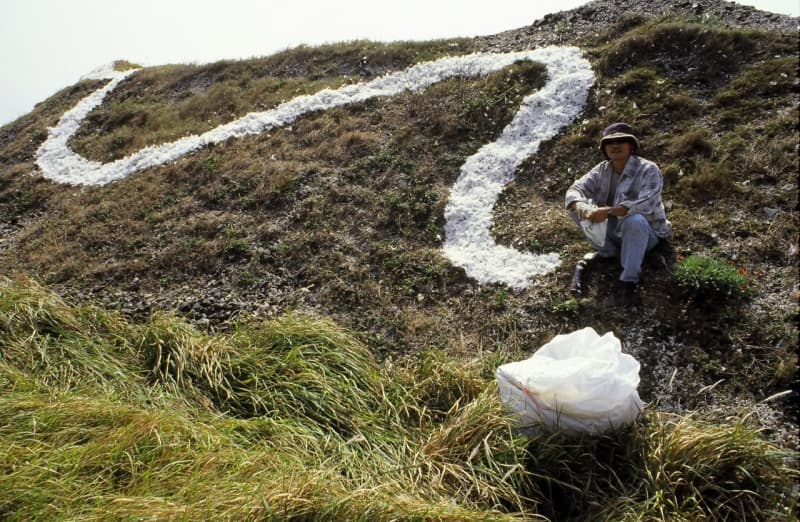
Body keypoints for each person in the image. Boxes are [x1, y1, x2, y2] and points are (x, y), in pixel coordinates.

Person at [565, 122, 671, 300]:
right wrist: (581, 205)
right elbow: (574, 190)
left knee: (634, 220)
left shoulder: (648, 169)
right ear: (604, 148)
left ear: (631, 146)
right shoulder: (602, 170)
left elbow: (646, 203)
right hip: (616, 229)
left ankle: (629, 280)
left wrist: (607, 212)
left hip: (646, 234)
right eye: (610, 142)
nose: (615, 146)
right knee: (576, 208)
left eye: (621, 141)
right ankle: (608, 253)